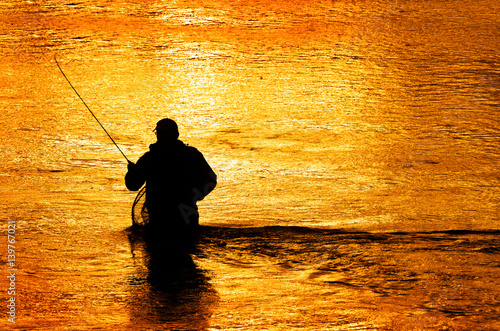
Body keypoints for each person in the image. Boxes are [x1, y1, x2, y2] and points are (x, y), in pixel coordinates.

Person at [125, 118, 217, 243]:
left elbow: (211, 179)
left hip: (183, 221)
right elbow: (133, 185)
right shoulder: (149, 159)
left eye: (165, 133)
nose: (161, 137)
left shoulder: (190, 155)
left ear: (175, 135)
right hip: (159, 222)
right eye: (159, 133)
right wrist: (133, 173)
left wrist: (192, 197)